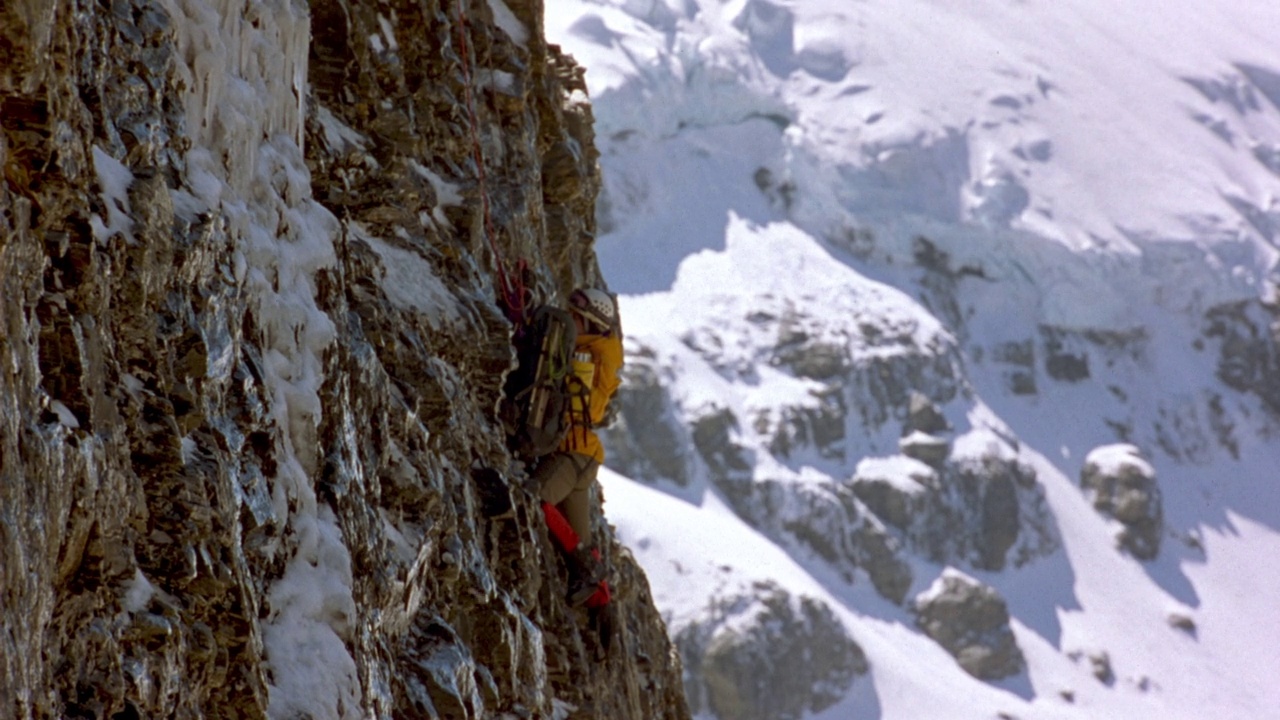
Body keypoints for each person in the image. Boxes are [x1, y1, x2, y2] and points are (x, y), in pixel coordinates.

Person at [534, 287, 623, 607]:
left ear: (589, 322)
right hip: (581, 456)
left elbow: (590, 408)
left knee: (536, 497)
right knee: (579, 540)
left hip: (573, 455)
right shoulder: (591, 349)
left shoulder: (598, 356)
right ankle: (600, 606)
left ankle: (589, 574)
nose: (570, 320)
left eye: (576, 317)